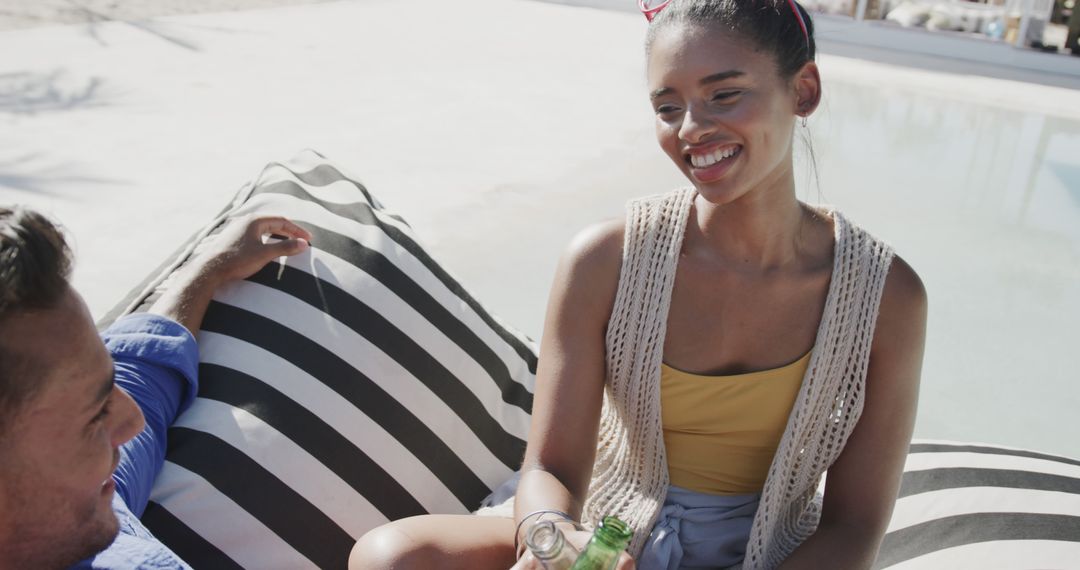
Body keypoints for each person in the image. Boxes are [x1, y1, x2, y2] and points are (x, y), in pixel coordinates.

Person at [349, 0, 926, 568]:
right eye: (668, 107)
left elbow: (854, 527)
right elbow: (550, 469)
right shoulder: (606, 260)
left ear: (803, 91)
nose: (692, 129)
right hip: (605, 529)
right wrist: (552, 540)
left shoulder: (884, 294)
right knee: (390, 556)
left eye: (724, 95)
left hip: (768, 555)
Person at [0, 206, 312, 569]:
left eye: (109, 384)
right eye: (95, 415)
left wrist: (207, 270)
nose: (131, 419)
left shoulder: (67, 509)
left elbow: (143, 369)